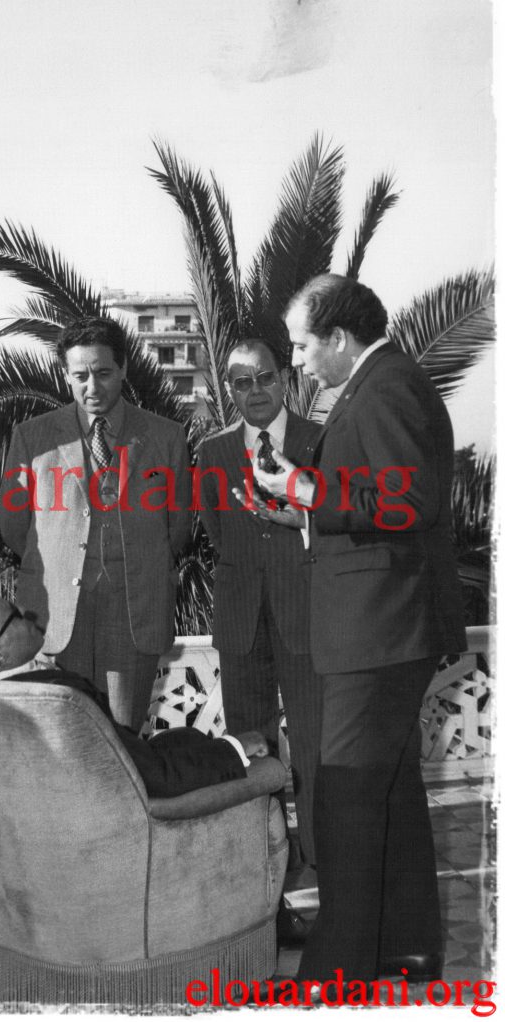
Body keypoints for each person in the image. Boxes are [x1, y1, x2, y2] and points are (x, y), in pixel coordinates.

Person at [252, 274, 467, 983]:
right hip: (381, 627)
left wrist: (309, 489)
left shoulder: (389, 387)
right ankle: (405, 946)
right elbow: (380, 503)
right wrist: (303, 509)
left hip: (380, 631)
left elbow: (412, 500)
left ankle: (334, 974)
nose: (300, 359)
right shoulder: (380, 385)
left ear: (341, 338)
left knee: (344, 797)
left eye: (305, 344)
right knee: (390, 793)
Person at [0, 315, 191, 731]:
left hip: (133, 612)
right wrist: (63, 561)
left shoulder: (166, 437)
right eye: (80, 375)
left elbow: (178, 528)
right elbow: (14, 527)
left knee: (123, 743)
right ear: (66, 375)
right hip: (56, 616)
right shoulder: (33, 438)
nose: (92, 386)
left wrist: (136, 564)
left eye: (103, 373)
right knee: (62, 740)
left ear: (122, 369)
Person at [0, 590, 272, 799]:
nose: (28, 615)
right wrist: (236, 748)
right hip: (129, 824)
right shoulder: (58, 702)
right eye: (14, 616)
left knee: (186, 736)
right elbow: (153, 778)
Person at [197, 338, 322, 867]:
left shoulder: (321, 440)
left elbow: (333, 519)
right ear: (229, 389)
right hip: (240, 616)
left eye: (265, 378)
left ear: (285, 379)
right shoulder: (214, 452)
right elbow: (215, 528)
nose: (255, 392)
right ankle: (269, 855)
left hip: (308, 616)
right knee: (251, 745)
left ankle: (320, 853)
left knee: (315, 745)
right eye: (242, 382)